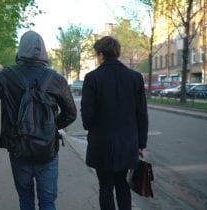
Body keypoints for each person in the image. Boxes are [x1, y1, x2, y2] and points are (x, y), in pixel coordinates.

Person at [0, 31, 77, 210]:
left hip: (18, 149)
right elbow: (70, 114)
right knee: (47, 202)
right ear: (43, 52)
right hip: (47, 151)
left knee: (25, 199)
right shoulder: (57, 80)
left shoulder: (4, 77)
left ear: (20, 50)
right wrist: (49, 128)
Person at [80, 36, 148, 210]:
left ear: (101, 54)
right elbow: (141, 113)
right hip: (127, 143)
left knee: (105, 187)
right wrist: (141, 143)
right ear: (117, 53)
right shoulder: (135, 77)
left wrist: (90, 127)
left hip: (101, 143)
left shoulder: (92, 78)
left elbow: (87, 114)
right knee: (122, 185)